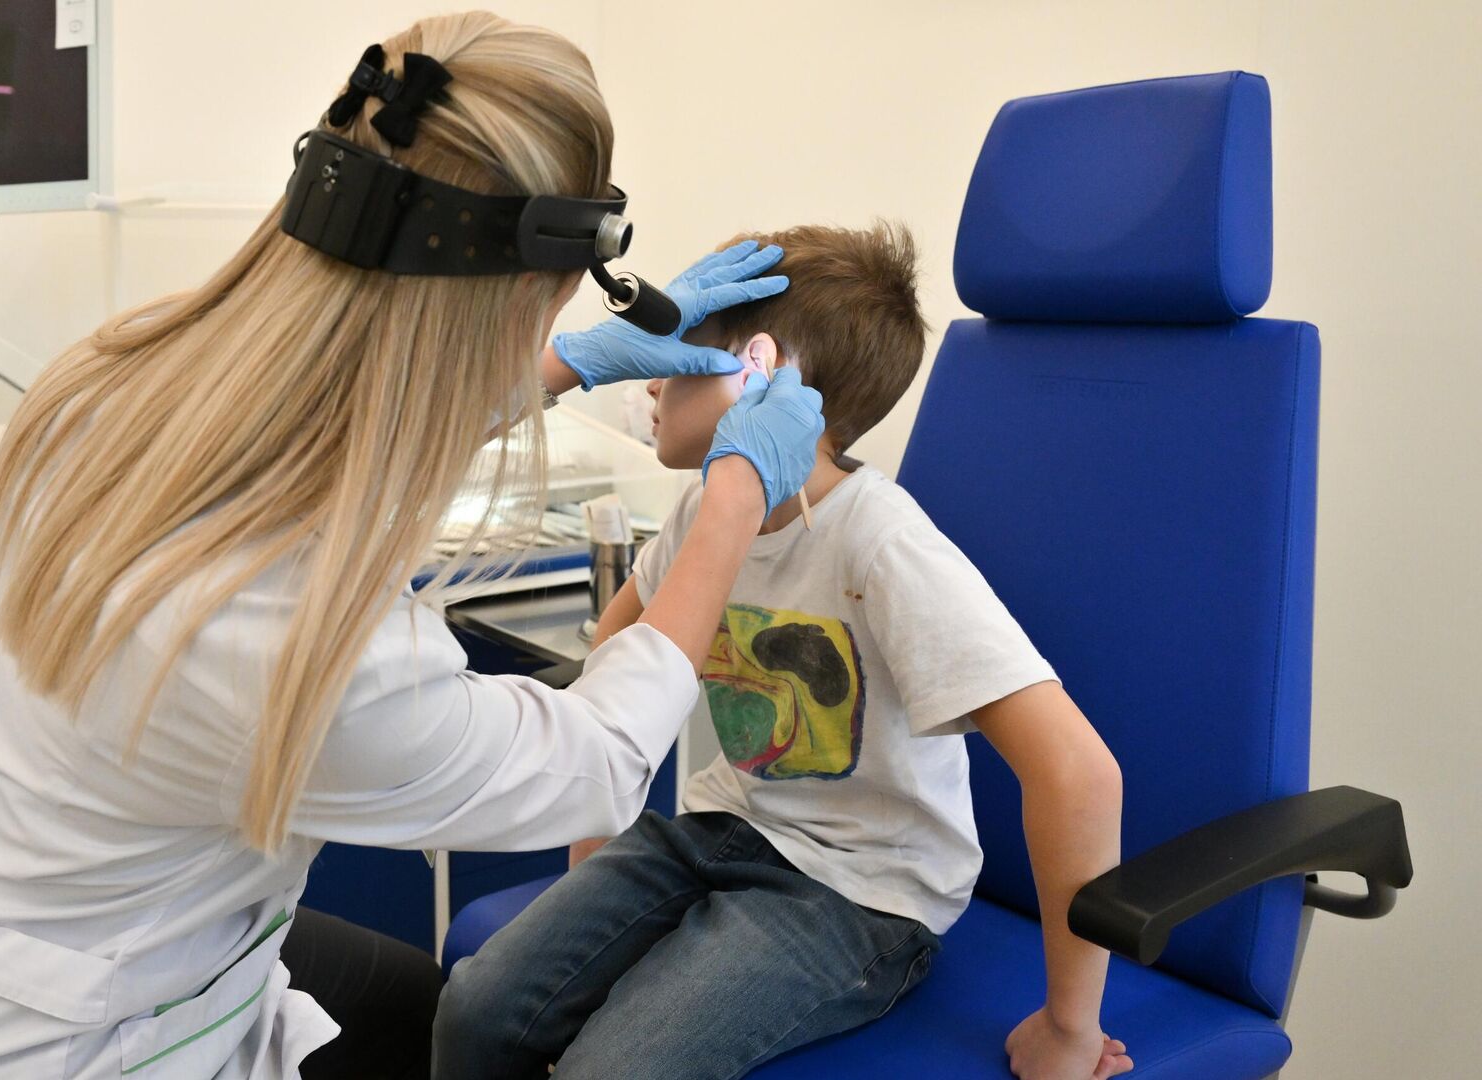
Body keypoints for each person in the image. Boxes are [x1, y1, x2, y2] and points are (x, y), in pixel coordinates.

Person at [0, 14, 827, 1080]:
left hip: (1, 950)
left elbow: (327, 427)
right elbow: (598, 763)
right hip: (64, 1049)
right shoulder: (296, 644)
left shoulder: (119, 383)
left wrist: (566, 362)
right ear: (528, 289)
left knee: (424, 1008)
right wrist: (734, 497)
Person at [432, 223, 1134, 1080]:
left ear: (761, 373)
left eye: (683, 349)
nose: (651, 376)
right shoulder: (703, 510)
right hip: (718, 830)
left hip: (859, 891)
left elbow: (1080, 774)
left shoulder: (881, 544)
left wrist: (1071, 1026)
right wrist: (588, 893)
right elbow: (611, 681)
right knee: (476, 1009)